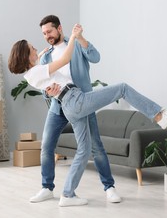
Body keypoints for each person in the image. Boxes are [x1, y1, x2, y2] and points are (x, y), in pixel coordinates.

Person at [8, 23, 167, 207]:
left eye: (48, 31)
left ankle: (68, 194)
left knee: (85, 149)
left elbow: (88, 57)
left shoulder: (36, 67)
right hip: (75, 100)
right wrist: (73, 36)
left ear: (58, 28)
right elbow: (64, 60)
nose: (38, 46)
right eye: (33, 48)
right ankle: (159, 116)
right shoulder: (38, 69)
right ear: (26, 56)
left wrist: (71, 41)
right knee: (122, 88)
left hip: (71, 104)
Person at [32, 15, 121, 205]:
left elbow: (96, 57)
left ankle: (109, 187)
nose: (47, 36)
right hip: (57, 107)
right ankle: (47, 188)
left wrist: (80, 38)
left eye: (49, 31)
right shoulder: (46, 56)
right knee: (46, 147)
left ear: (59, 28)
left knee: (96, 147)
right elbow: (43, 87)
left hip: (82, 102)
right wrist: (48, 92)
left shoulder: (75, 44)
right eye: (44, 33)